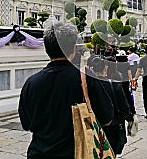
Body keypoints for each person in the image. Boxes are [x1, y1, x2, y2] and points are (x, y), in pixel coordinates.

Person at [18, 21, 114, 159]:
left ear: (46, 48)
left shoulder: (31, 83)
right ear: (74, 49)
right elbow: (107, 118)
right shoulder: (86, 78)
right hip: (76, 153)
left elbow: (26, 124)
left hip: (39, 153)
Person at [89, 56, 134, 156]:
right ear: (106, 68)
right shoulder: (115, 85)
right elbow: (124, 106)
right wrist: (130, 118)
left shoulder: (88, 86)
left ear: (91, 69)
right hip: (114, 124)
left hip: (95, 124)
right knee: (112, 151)